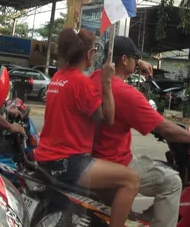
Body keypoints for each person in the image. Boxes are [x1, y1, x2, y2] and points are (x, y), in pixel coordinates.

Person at [91, 36, 190, 227]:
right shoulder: (127, 94)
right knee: (172, 181)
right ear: (124, 60)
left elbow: (120, 66)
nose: (137, 61)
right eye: (134, 57)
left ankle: (140, 220)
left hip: (92, 158)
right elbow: (166, 129)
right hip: (116, 161)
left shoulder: (97, 76)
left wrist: (138, 62)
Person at [35, 28, 140, 227]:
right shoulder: (81, 83)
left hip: (47, 158)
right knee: (131, 180)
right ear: (89, 54)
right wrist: (107, 81)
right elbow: (108, 118)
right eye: (94, 52)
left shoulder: (59, 77)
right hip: (70, 163)